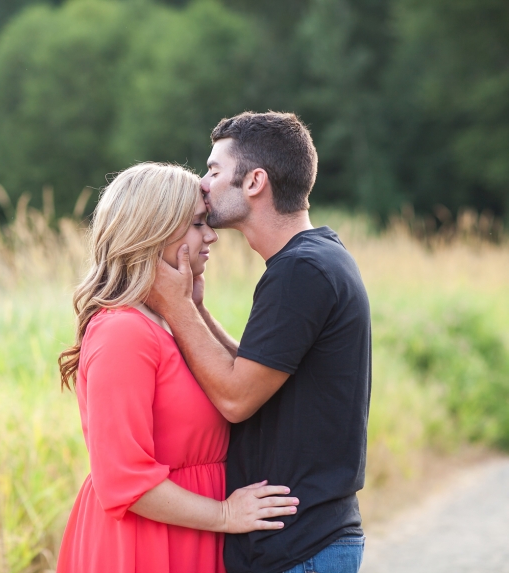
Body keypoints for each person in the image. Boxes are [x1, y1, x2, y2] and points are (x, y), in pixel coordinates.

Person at [147, 112, 371, 573]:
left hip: (299, 546)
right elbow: (257, 370)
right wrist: (199, 311)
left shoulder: (300, 271)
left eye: (213, 170)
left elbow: (235, 398)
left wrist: (175, 308)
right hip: (301, 542)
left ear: (254, 182)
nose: (202, 183)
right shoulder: (317, 258)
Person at [56, 162, 299, 573]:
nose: (211, 236)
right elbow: (124, 480)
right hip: (145, 545)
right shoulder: (123, 332)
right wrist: (224, 515)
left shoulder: (166, 324)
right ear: (153, 231)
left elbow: (245, 385)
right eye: (197, 224)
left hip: (190, 536)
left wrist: (193, 309)